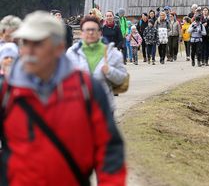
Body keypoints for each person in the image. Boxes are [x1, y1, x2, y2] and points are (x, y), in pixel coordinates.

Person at [0, 11, 126, 185]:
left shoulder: (87, 90)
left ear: (58, 47)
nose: (28, 50)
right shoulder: (6, 91)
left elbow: (109, 149)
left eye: (37, 43)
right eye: (24, 42)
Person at [66, 16, 128, 112]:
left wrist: (110, 71)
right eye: (87, 30)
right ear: (81, 33)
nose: (90, 33)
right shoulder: (72, 53)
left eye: (94, 30)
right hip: (79, 107)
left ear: (100, 32)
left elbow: (122, 80)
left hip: (105, 106)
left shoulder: (112, 53)